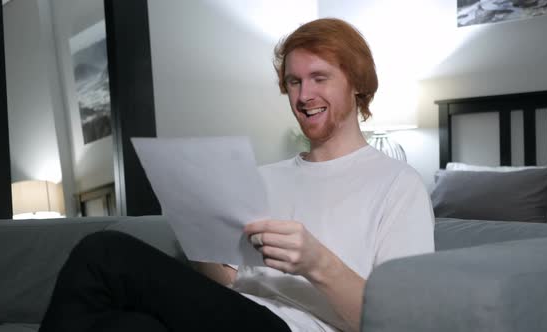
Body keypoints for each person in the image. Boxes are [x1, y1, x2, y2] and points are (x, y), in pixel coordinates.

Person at [39, 18, 434, 332]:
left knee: (104, 251)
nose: (302, 96)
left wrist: (316, 262)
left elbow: (401, 323)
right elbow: (226, 284)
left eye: (319, 77)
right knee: (126, 325)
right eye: (294, 82)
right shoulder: (262, 177)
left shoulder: (398, 185)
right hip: (237, 315)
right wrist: (197, 224)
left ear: (357, 85)